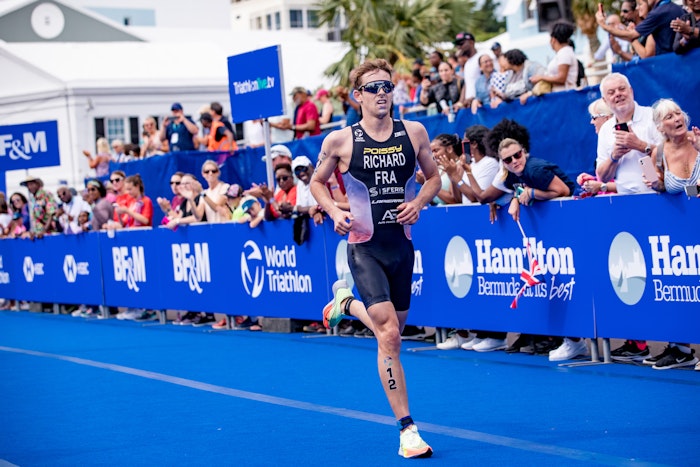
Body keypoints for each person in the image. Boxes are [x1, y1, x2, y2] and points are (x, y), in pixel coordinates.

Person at [309, 58, 440, 459]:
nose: (382, 93)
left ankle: (347, 303)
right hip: (365, 246)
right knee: (390, 336)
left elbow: (434, 177)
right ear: (358, 96)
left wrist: (418, 202)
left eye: (387, 86)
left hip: (401, 247)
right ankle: (407, 430)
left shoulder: (414, 132)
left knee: (394, 330)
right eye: (373, 88)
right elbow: (316, 183)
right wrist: (334, 212)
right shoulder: (340, 141)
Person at [595, 73, 662, 195]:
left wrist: (641, 146)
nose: (618, 94)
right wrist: (614, 156)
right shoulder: (606, 129)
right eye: (611, 92)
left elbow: (672, 155)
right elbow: (603, 177)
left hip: (658, 195)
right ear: (605, 100)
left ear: (631, 91)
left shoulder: (653, 116)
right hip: (625, 199)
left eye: (622, 89)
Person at [596, 0, 684, 55]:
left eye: (640, 4)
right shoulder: (674, 8)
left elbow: (645, 54)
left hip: (668, 63)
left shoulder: (657, 13)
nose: (638, 8)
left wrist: (604, 26)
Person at [577, 99, 618, 196]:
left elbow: (632, 183)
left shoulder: (621, 142)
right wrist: (594, 181)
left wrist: (601, 186)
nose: (591, 122)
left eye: (594, 117)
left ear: (607, 118)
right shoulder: (604, 142)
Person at [529, 21, 579, 93]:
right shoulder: (562, 53)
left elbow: (562, 78)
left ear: (553, 40)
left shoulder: (565, 53)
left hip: (565, 94)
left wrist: (541, 77)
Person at [197, 160, 230, 224]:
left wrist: (202, 193)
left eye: (214, 171)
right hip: (212, 228)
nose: (210, 173)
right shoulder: (205, 193)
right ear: (203, 174)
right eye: (207, 172)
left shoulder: (225, 187)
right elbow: (198, 216)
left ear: (218, 173)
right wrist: (190, 199)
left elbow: (216, 207)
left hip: (224, 226)